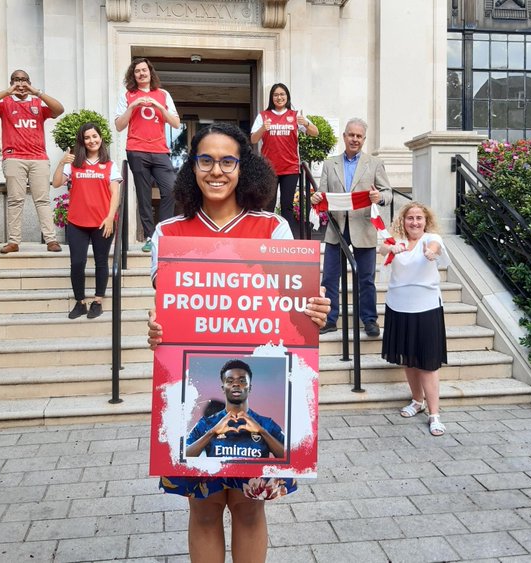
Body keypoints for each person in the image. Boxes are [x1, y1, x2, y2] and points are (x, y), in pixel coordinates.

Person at [146, 122, 330, 563]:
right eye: (204, 160)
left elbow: (292, 317)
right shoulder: (169, 233)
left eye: (227, 160)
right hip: (190, 390)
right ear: (191, 167)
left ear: (243, 167)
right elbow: (171, 315)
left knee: (249, 510)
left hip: (265, 376)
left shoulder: (273, 229)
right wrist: (156, 331)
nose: (216, 171)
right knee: (204, 510)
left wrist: (313, 317)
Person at [311, 117, 392, 337]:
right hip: (336, 228)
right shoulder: (330, 163)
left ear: (364, 139)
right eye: (351, 135)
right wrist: (316, 197)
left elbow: (388, 194)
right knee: (329, 277)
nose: (354, 139)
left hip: (363, 227)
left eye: (359, 136)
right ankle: (329, 319)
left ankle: (369, 320)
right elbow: (322, 193)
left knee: (365, 278)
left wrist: (379, 196)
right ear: (344, 136)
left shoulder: (374, 163)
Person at [379, 202, 450, 436]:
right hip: (399, 306)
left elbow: (435, 249)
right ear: (404, 220)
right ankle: (417, 401)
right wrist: (391, 249)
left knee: (427, 363)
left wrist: (430, 253)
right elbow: (381, 249)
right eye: (410, 218)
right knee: (408, 359)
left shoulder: (432, 238)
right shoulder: (396, 240)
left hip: (426, 307)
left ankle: (434, 414)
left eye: (419, 218)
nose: (415, 222)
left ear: (425, 220)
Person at [0, 69, 64, 254]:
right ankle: (14, 241)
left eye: (24, 80)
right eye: (16, 80)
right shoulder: (5, 104)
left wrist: (37, 92)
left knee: (42, 200)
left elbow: (59, 110)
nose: (21, 84)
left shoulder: (37, 104)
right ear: (11, 82)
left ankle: (51, 240)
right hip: (14, 157)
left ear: (29, 82)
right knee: (15, 200)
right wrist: (7, 92)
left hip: (38, 158)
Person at [52, 123, 121, 320]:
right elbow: (57, 183)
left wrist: (110, 218)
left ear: (101, 138)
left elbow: (115, 193)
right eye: (87, 137)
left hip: (102, 223)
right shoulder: (73, 164)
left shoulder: (110, 165)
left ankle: (97, 301)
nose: (92, 140)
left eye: (95, 136)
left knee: (101, 263)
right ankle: (80, 302)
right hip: (77, 222)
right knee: (77, 262)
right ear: (82, 141)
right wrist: (60, 162)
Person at [114, 57, 180, 253]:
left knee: (170, 190)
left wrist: (158, 106)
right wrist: (133, 106)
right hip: (137, 149)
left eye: (144, 70)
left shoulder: (163, 94)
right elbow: (119, 126)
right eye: (137, 71)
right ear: (133, 75)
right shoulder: (127, 95)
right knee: (143, 196)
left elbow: (176, 123)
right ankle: (151, 237)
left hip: (160, 150)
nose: (141, 74)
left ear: (150, 72)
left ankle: (163, 234)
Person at [250, 83, 318, 238]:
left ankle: (288, 240)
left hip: (290, 169)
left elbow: (315, 132)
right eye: (276, 95)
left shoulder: (295, 115)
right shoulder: (263, 116)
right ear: (271, 98)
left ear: (287, 97)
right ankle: (266, 238)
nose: (279, 97)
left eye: (282, 94)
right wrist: (263, 128)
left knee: (287, 206)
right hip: (269, 169)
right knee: (268, 205)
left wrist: (305, 123)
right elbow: (253, 139)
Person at [186, 359, 285, 460]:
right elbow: (180, 459)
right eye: (230, 381)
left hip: (255, 477)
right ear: (223, 388)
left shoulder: (266, 424)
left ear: (249, 387)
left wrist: (262, 432)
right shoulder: (206, 424)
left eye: (242, 381)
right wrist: (212, 432)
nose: (236, 384)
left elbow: (294, 459)